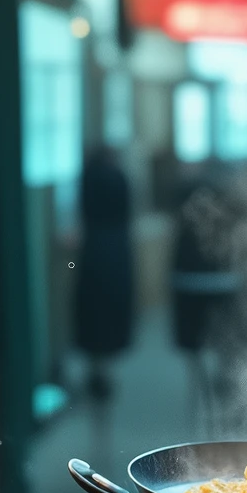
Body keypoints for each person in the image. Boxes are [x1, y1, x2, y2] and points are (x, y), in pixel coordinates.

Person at [71, 143, 134, 399]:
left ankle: (97, 369)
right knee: (111, 309)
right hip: (117, 252)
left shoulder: (87, 177)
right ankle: (105, 370)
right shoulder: (120, 177)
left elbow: (82, 213)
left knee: (93, 310)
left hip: (92, 251)